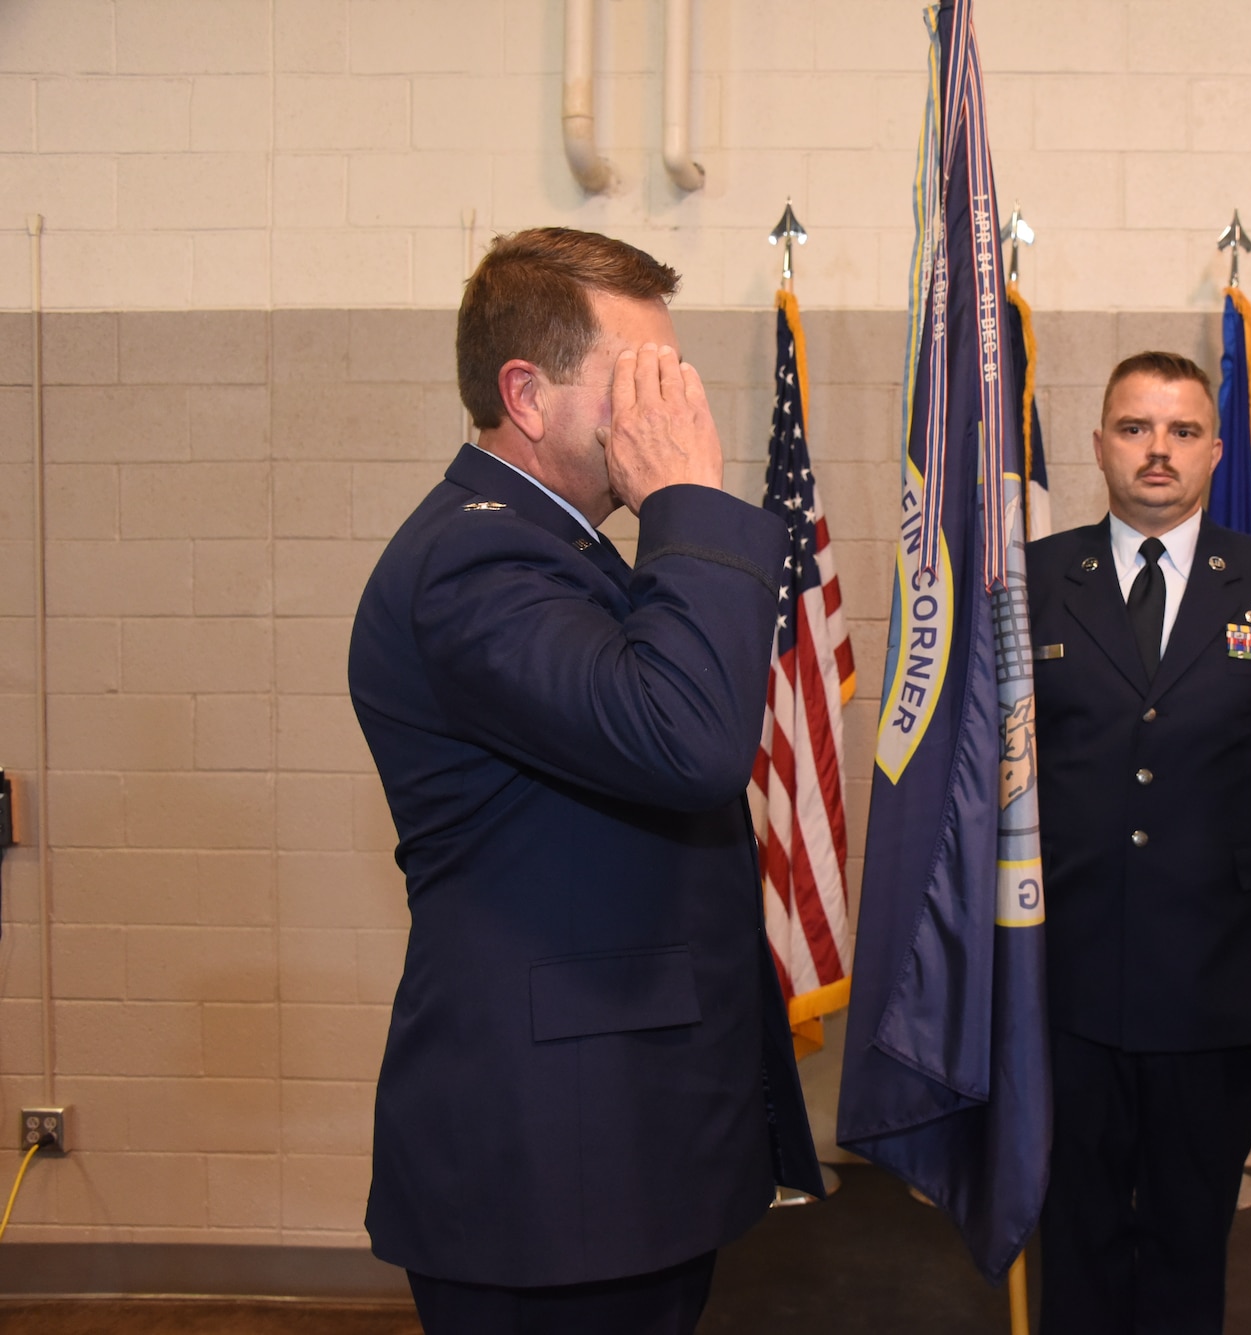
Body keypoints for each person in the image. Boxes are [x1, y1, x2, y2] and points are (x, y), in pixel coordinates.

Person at [347, 227, 821, 1334]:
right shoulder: (478, 559)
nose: (669, 408)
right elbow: (689, 740)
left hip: (620, 1142)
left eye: (675, 376)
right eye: (636, 379)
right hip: (553, 1162)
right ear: (526, 393)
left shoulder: (556, 548)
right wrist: (688, 501)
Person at [1027, 351, 1251, 1335]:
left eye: (1179, 431)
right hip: (1064, 974)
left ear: (1216, 451)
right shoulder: (1029, 580)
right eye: (1134, 428)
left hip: (1222, 976)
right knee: (1075, 1232)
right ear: (1099, 446)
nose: (1156, 451)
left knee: (1187, 1234)